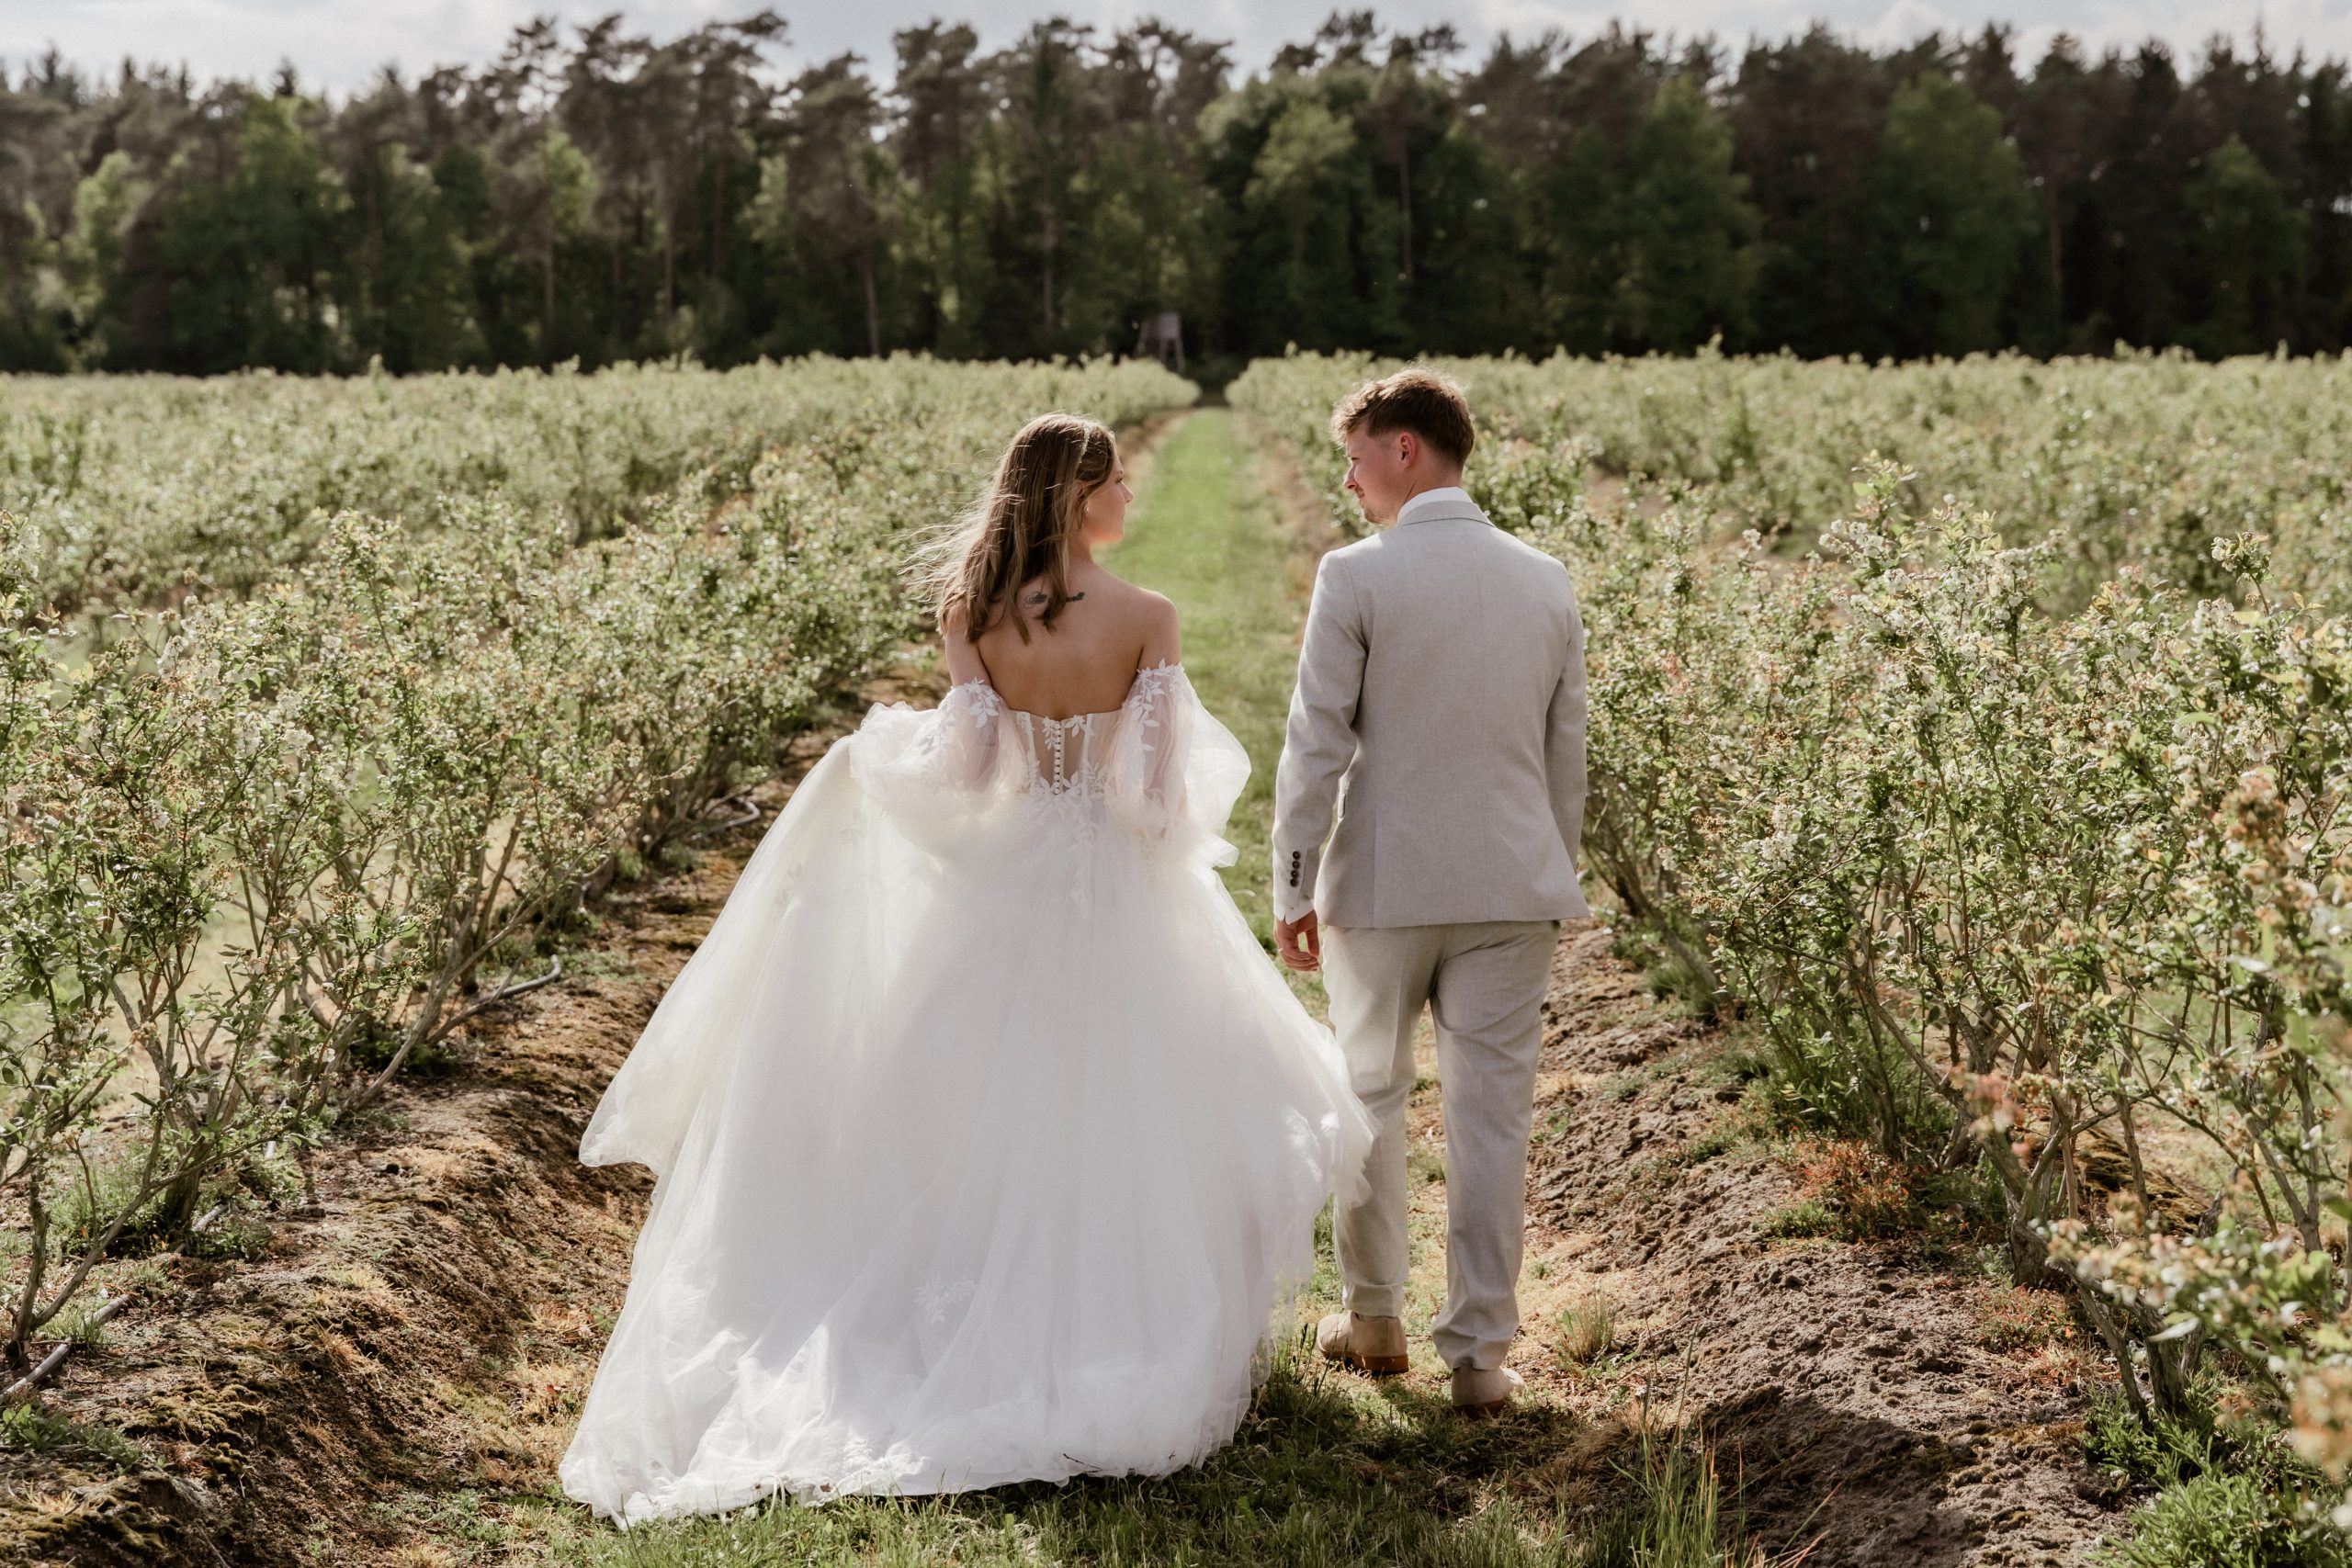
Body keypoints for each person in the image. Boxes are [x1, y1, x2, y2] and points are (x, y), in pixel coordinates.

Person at [557, 412, 1375, 1526]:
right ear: (1080, 495)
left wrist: (882, 758)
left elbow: (971, 773)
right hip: (1119, 891)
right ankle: (1114, 1320)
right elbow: (1154, 808)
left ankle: (958, 1317)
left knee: (970, 1100)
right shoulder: (1148, 618)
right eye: (1117, 482)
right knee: (1133, 1101)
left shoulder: (974, 616)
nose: (1129, 496)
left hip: (1009, 885)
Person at [1271, 368, 1589, 1417]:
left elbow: (1316, 743)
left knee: (1369, 1094)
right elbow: (1566, 752)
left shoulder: (1356, 575)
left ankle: (1373, 1320)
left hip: (1384, 884)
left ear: (1404, 448)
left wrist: (1293, 880)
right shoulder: (1545, 578)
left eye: (1356, 458)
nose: (1349, 481)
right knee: (1491, 1118)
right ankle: (1481, 1358)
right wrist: (1550, 871)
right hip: (1513, 886)